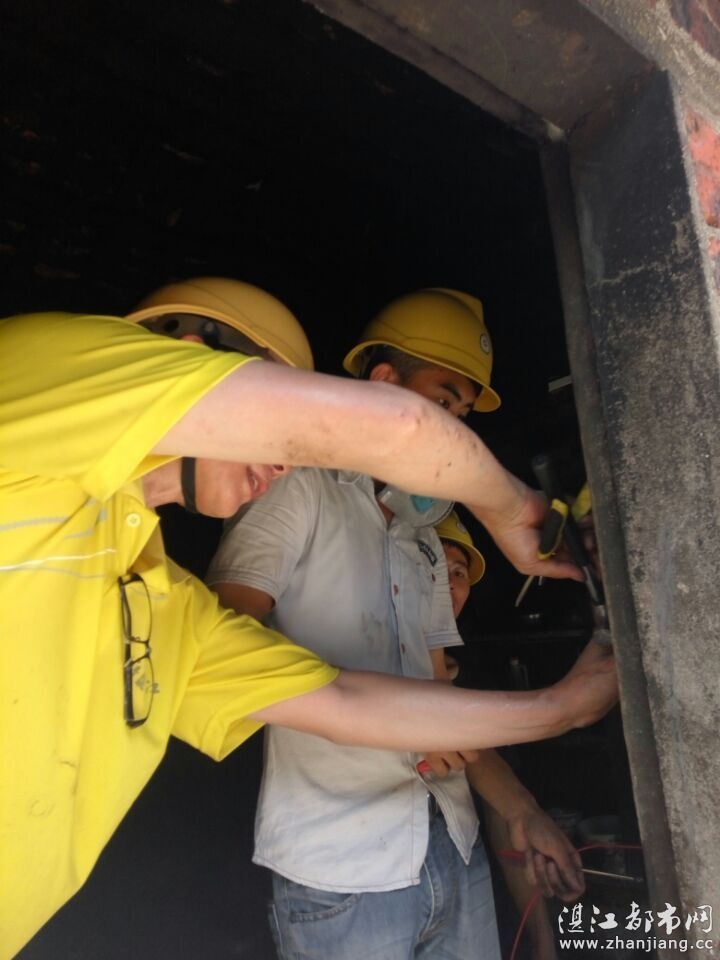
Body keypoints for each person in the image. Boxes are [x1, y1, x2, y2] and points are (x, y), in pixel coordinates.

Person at [0, 283, 616, 960]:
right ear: (189, 356)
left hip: (446, 835)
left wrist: (561, 709)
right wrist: (511, 508)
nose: (288, 456)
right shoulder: (36, 377)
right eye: (278, 421)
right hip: (342, 858)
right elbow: (399, 429)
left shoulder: (159, 602)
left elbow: (345, 698)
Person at [205, 288, 607, 960]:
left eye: (463, 416)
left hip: (452, 845)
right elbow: (220, 649)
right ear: (385, 381)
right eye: (443, 401)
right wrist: (386, 727)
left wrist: (522, 811)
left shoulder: (423, 539)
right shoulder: (294, 488)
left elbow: (440, 700)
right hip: (342, 865)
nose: (454, 429)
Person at [434, 510, 579, 960]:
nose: (447, 582)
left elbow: (498, 799)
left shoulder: (468, 677)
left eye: (459, 572)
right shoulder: (362, 662)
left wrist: (543, 940)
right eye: (431, 565)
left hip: (461, 879)